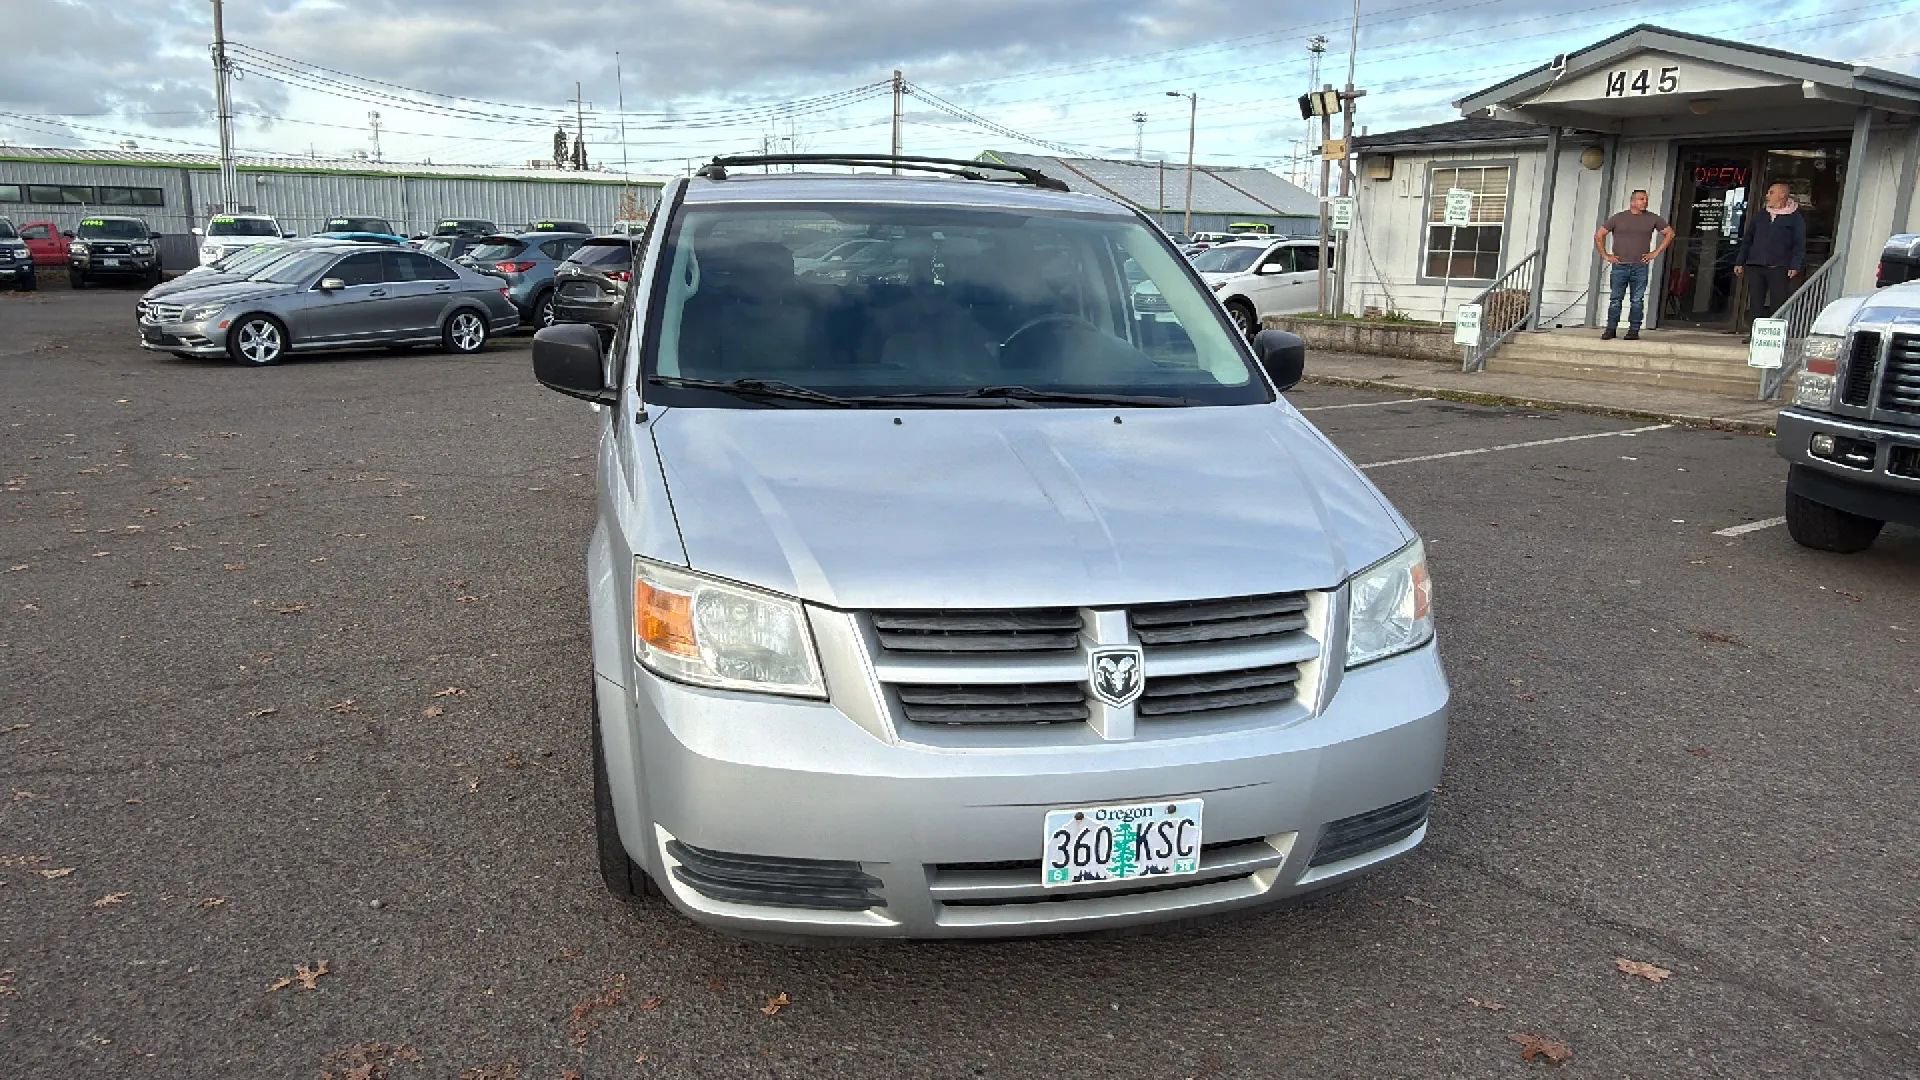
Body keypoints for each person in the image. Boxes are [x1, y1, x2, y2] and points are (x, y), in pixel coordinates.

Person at [1593, 189, 1675, 341]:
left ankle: (1634, 330)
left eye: (1646, 199)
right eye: (1641, 199)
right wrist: (1606, 255)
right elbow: (1599, 235)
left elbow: (1670, 233)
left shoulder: (1653, 218)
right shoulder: (1618, 218)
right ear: (1632, 201)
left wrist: (1655, 253)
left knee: (1637, 300)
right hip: (1620, 266)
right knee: (1615, 299)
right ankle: (1611, 329)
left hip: (1640, 266)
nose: (1645, 201)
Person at [1733, 181, 1807, 342]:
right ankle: (1754, 334)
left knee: (1778, 301)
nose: (1767, 195)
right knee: (1756, 302)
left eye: (1771, 192)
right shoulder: (1761, 216)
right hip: (1756, 264)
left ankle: (1776, 335)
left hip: (1779, 266)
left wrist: (1795, 265)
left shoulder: (1795, 218)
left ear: (1782, 195)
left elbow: (1799, 244)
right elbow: (1748, 240)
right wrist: (1740, 261)